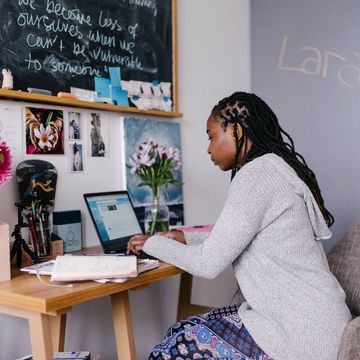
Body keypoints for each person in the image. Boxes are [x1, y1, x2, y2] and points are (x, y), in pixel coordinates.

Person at [127, 92, 351, 360]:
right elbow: (244, 236)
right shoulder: (274, 168)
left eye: (211, 136)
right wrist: (185, 238)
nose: (209, 148)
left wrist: (152, 243)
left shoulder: (256, 175)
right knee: (182, 330)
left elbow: (207, 264)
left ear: (235, 130)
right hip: (321, 324)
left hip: (301, 335)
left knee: (174, 347)